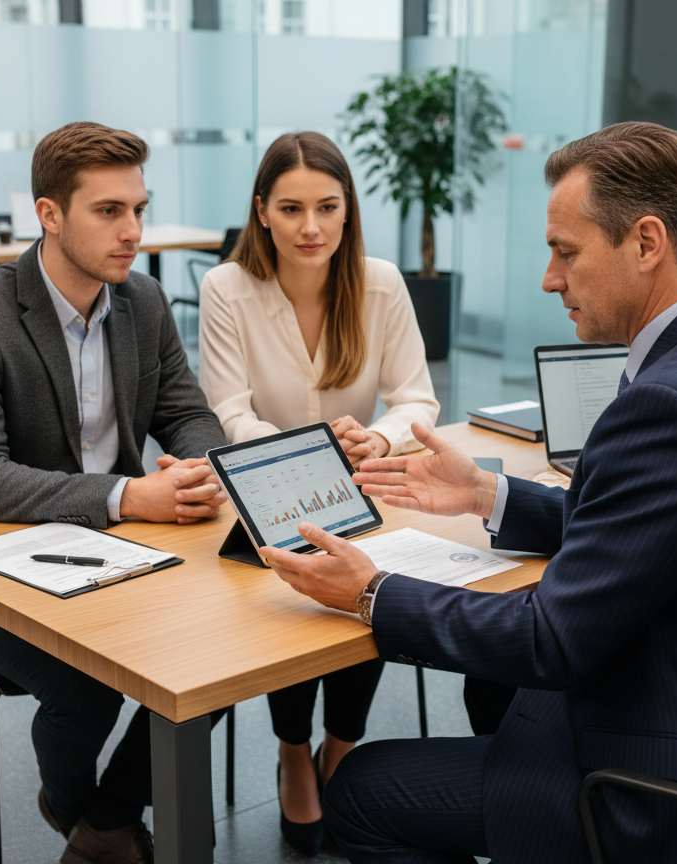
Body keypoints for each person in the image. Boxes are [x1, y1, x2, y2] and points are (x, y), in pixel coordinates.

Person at [258, 122, 677, 864]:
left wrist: (371, 592)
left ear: (647, 243)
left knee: (362, 790)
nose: (551, 278)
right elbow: (643, 529)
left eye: (566, 252)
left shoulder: (670, 402)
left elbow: (551, 641)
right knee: (495, 697)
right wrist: (488, 493)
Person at [0, 121, 228, 864]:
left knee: (221, 658)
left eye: (139, 209)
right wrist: (128, 497)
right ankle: (73, 808)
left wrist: (208, 467)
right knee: (88, 690)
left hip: (119, 553)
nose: (133, 231)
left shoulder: (144, 302)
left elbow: (186, 414)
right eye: (109, 211)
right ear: (49, 213)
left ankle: (104, 823)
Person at [197, 130, 439, 854]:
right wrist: (296, 462)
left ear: (346, 210)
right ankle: (293, 751)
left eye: (327, 208)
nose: (311, 228)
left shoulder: (381, 282)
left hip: (363, 489)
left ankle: (342, 746)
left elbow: (416, 400)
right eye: (292, 208)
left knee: (371, 588)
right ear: (261, 211)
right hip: (266, 491)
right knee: (290, 590)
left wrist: (382, 438)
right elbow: (228, 413)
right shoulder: (226, 289)